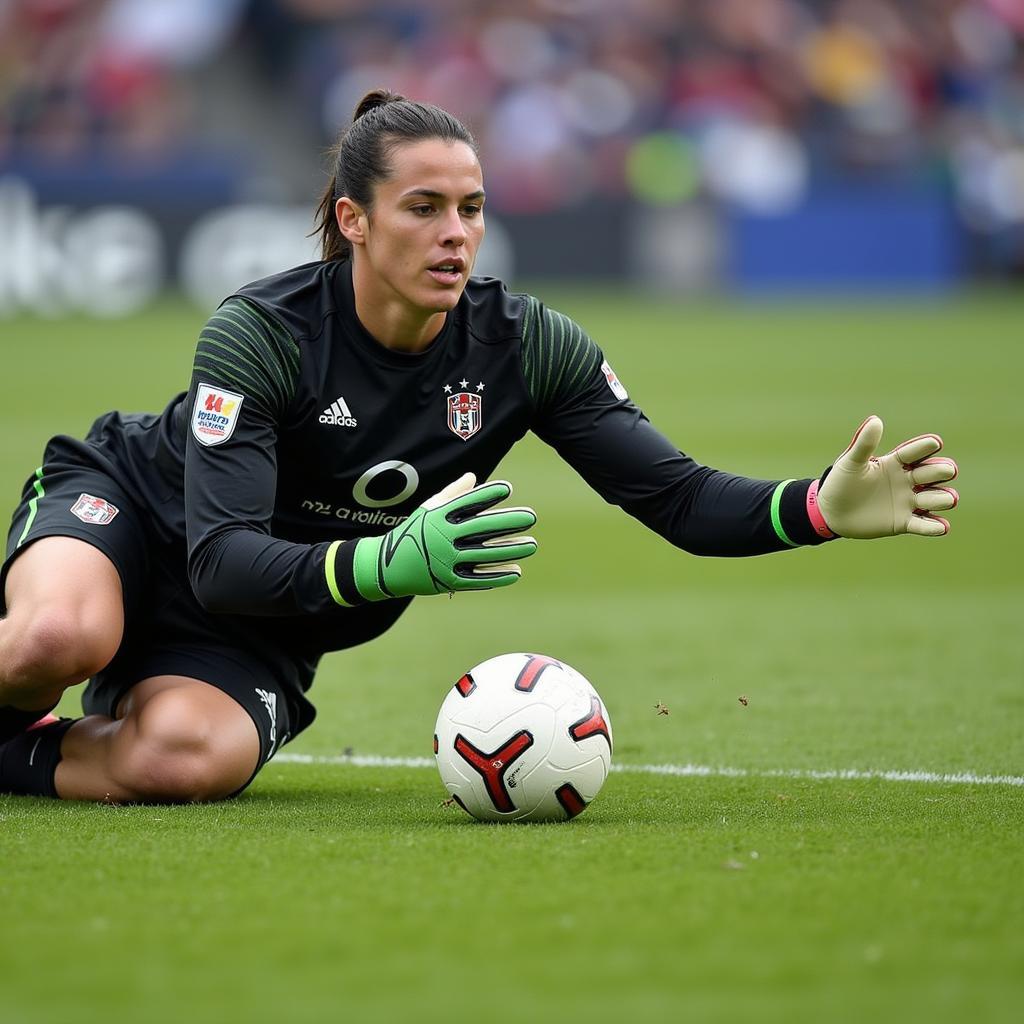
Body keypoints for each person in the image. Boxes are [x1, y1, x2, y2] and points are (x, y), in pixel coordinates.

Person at [0, 90, 959, 804]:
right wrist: (385, 561)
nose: (456, 234)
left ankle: (17, 755)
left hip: (267, 622)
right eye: (424, 208)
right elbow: (217, 560)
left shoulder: (528, 346)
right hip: (134, 514)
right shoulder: (262, 331)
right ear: (354, 220)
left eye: (471, 207)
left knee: (184, 761)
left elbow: (674, 497)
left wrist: (818, 509)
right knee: (58, 639)